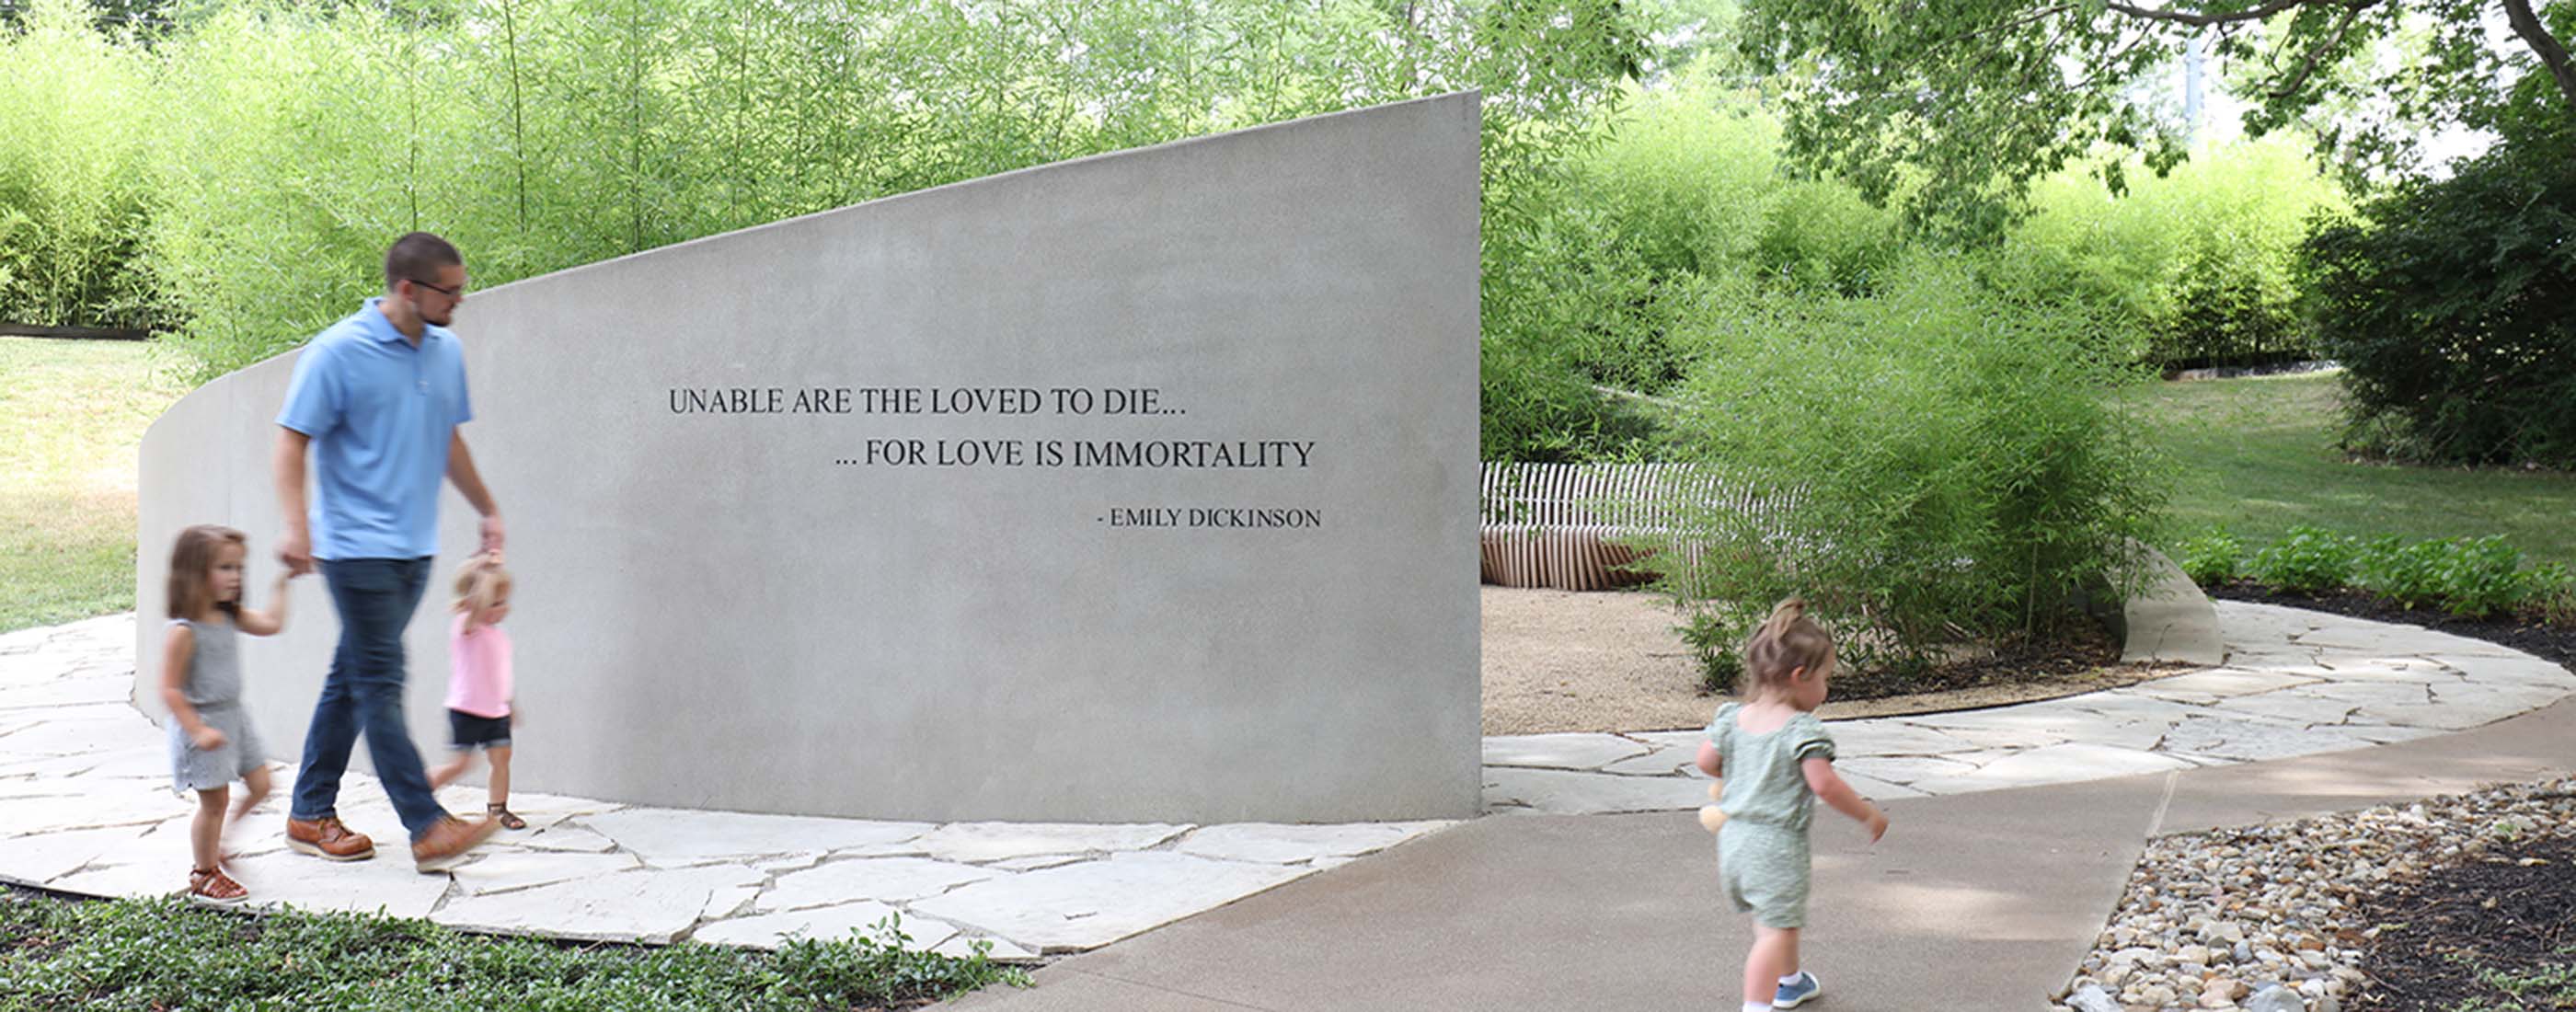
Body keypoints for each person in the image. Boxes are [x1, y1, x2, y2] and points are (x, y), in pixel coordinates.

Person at [273, 231, 502, 872]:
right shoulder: (337, 354)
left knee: (351, 677)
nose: (460, 301)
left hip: (415, 548)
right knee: (380, 680)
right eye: (450, 291)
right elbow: (291, 441)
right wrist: (297, 525)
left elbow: (447, 438)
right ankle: (425, 823)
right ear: (408, 289)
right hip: (354, 546)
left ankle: (310, 810)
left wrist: (486, 507)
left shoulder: (445, 351)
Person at [1694, 598, 1892, 1012]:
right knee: (1774, 932)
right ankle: (1756, 1005)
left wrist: (1738, 775)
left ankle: (1791, 981)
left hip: (1733, 841)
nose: (1827, 688)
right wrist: (1867, 813)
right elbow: (1823, 784)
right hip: (1776, 846)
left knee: (1777, 920)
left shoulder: (1732, 717)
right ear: (1800, 676)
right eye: (1825, 678)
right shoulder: (1801, 729)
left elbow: (1706, 762)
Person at [160, 524, 293, 904]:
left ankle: (224, 844)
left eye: (239, 568)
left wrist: (283, 584)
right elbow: (169, 689)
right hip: (201, 723)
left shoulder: (229, 616)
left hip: (235, 716)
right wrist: (197, 730)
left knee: (262, 785)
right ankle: (204, 872)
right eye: (225, 568)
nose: (236, 577)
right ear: (194, 572)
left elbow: (272, 624)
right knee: (213, 803)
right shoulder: (184, 632)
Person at [429, 553, 524, 830]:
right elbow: (477, 599)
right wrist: (482, 571)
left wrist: (510, 705)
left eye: (505, 601)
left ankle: (498, 809)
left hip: (496, 711)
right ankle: (417, 792)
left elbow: (500, 676)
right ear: (473, 603)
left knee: (502, 758)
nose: (503, 608)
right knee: (460, 764)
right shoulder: (466, 629)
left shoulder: (499, 636)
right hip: (467, 710)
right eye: (496, 603)